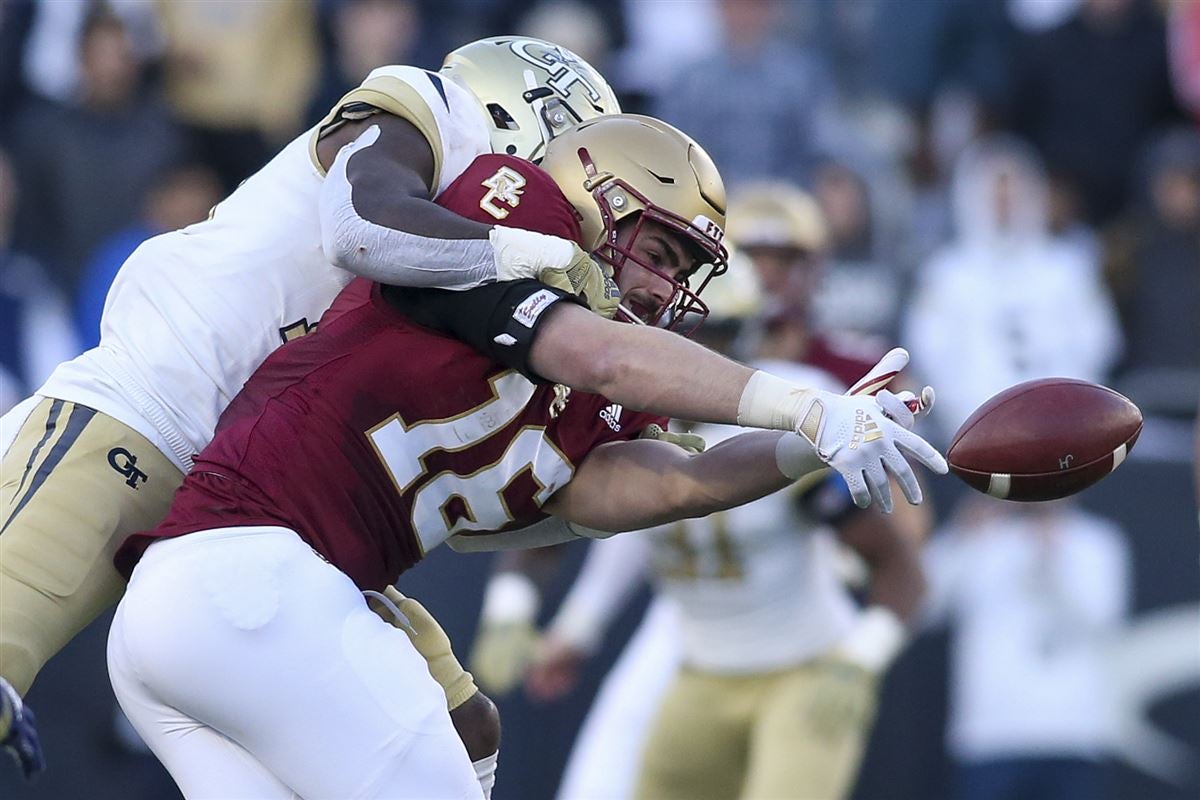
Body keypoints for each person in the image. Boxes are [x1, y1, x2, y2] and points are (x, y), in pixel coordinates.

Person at [105, 114, 945, 799]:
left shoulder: (593, 400)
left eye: (682, 272)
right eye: (656, 252)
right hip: (254, 579)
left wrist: (812, 443)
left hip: (188, 620)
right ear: (589, 195)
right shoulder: (507, 223)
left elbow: (674, 482)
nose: (660, 291)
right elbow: (596, 354)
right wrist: (801, 401)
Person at [0, 35, 623, 778]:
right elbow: (364, 224)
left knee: (466, 731)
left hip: (265, 506)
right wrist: (538, 258)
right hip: (152, 409)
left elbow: (474, 504)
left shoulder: (482, 272)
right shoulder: (435, 111)